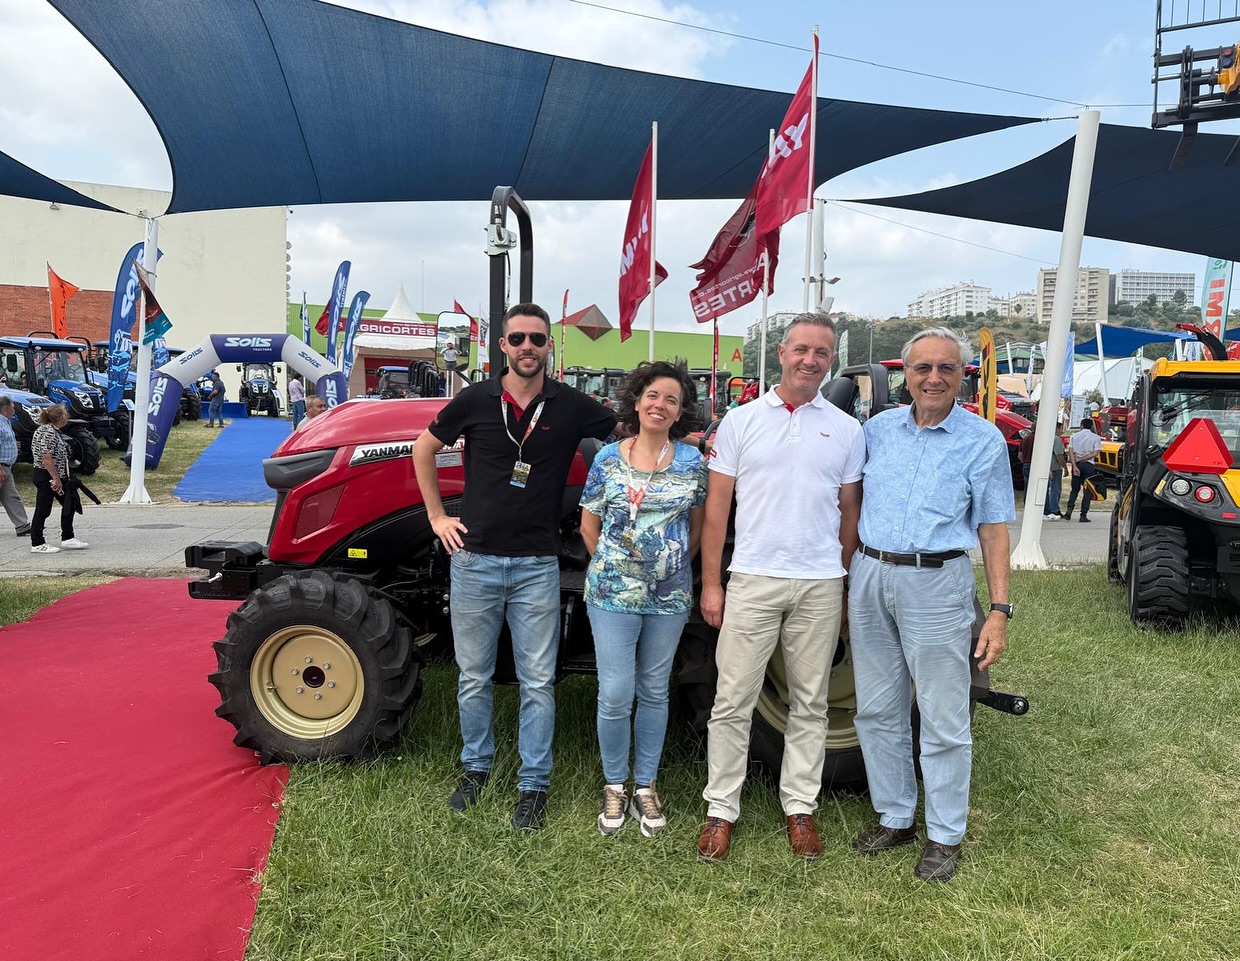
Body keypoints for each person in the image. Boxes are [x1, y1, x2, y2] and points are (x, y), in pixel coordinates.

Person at [412, 302, 616, 832]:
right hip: (475, 560)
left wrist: (687, 439)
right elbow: (423, 449)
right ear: (502, 345)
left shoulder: (571, 405)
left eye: (538, 340)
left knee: (537, 681)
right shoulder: (475, 399)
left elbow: (633, 430)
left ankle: (534, 784)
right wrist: (438, 516)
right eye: (518, 338)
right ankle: (475, 770)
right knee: (474, 677)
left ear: (550, 347)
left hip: (536, 566)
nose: (528, 347)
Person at [696, 312, 865, 862]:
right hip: (752, 578)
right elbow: (717, 509)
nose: (810, 360)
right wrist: (712, 585)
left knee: (810, 703)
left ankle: (800, 807)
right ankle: (721, 810)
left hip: (819, 583)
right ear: (782, 353)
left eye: (821, 352)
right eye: (801, 349)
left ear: (830, 362)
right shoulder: (741, 422)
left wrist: (840, 585)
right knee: (732, 700)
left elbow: (849, 515)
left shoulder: (845, 429)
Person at [847, 327, 1013, 883]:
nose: (934, 377)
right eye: (923, 368)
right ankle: (896, 816)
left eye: (946, 368)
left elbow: (992, 528)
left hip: (937, 582)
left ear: (962, 375)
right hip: (870, 573)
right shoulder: (876, 431)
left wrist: (998, 610)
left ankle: (944, 834)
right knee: (876, 708)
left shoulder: (983, 440)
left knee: (943, 716)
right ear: (906, 376)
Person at [579, 361, 708, 838]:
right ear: (637, 401)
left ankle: (645, 784)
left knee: (654, 690)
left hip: (669, 595)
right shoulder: (609, 458)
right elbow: (589, 526)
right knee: (615, 693)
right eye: (653, 395)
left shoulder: (693, 463)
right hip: (612, 592)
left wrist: (667, 567)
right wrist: (620, 569)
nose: (660, 405)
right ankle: (615, 783)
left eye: (671, 399)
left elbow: (696, 528)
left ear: (679, 412)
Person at [29, 404, 89, 554]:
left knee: (71, 501)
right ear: (60, 417)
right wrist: (55, 479)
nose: (67, 416)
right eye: (66, 414)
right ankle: (37, 542)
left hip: (59, 475)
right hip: (47, 475)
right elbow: (46, 458)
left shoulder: (53, 431)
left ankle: (68, 537)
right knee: (43, 508)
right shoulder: (48, 432)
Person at [0, 395, 31, 537]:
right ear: (5, 408)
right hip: (1, 467)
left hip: (8, 467)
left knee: (11, 496)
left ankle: (22, 525)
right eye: (13, 408)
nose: (14, 411)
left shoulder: (6, 422)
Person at [1065, 416, 1102, 523]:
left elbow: (1070, 451)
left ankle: (1069, 510)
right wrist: (1083, 458)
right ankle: (1083, 514)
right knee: (1087, 491)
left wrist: (1074, 465)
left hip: (1077, 464)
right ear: (1091, 426)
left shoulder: (1074, 436)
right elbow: (1095, 453)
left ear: (1081, 425)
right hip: (1089, 465)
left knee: (1074, 489)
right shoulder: (1096, 438)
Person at [1044, 424, 1067, 520]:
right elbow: (1059, 455)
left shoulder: (1046, 438)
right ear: (1057, 428)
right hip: (1055, 467)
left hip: (1048, 467)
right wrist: (1065, 467)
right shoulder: (1056, 439)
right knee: (1055, 489)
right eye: (1061, 429)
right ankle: (1054, 509)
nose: (1062, 431)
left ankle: (1048, 508)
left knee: (1049, 489)